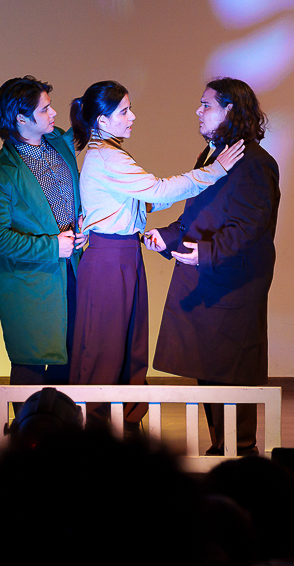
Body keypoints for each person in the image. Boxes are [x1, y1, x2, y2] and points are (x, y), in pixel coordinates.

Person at [69, 80, 244, 425]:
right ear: (102, 121)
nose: (132, 117)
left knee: (130, 346)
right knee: (105, 347)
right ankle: (96, 428)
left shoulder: (110, 154)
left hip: (123, 256)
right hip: (109, 259)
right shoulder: (105, 155)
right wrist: (215, 170)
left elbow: (148, 197)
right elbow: (157, 190)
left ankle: (124, 423)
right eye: (124, 111)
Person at [146, 78, 279, 455]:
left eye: (206, 105)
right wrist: (167, 238)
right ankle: (223, 449)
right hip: (209, 282)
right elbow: (195, 218)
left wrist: (204, 253)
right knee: (210, 371)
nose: (199, 111)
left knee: (232, 373)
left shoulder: (254, 163)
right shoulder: (212, 157)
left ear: (230, 110)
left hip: (231, 286)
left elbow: (249, 227)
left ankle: (240, 452)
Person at [0, 76, 82, 388]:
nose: (54, 114)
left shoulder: (60, 144)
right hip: (31, 281)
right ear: (21, 118)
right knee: (32, 363)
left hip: (73, 271)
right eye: (45, 109)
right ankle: (28, 434)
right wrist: (51, 248)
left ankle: (64, 430)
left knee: (72, 354)